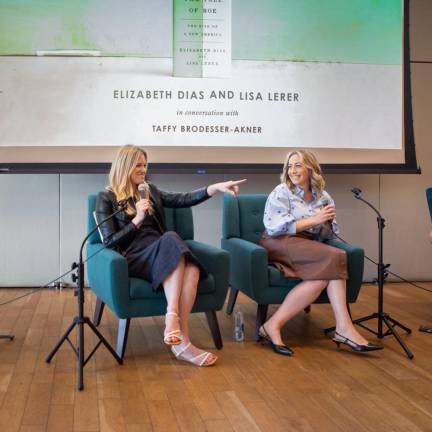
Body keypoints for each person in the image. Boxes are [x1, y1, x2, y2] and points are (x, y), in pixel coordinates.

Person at [96, 145, 245, 366]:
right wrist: (137, 219)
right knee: (172, 238)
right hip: (133, 255)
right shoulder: (107, 197)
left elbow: (183, 199)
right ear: (124, 166)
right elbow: (109, 241)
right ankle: (172, 317)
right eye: (138, 165)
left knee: (192, 268)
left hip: (160, 249)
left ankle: (181, 342)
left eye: (145, 165)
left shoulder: (150, 190)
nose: (143, 169)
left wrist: (214, 187)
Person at [258, 149, 382, 356]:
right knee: (336, 256)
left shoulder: (323, 196)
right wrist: (314, 220)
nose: (292, 170)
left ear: (310, 168)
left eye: (298, 165)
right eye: (289, 166)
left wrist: (325, 224)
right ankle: (344, 328)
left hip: (305, 244)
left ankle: (272, 325)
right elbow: (274, 228)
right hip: (278, 241)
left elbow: (326, 236)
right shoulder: (281, 192)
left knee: (323, 276)